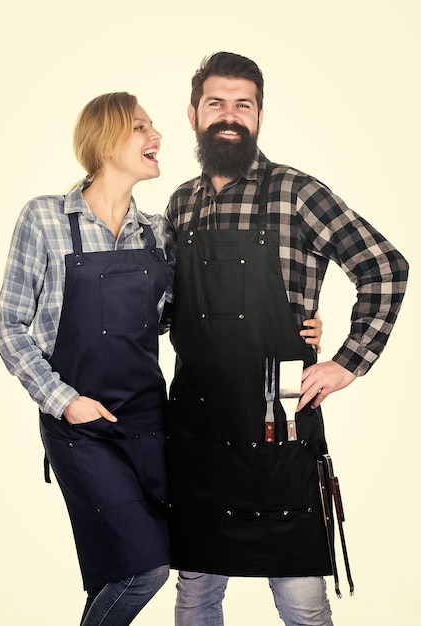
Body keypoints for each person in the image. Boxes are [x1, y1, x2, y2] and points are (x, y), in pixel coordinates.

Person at [164, 52, 409, 626]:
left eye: (242, 104)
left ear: (259, 115)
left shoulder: (296, 192)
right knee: (196, 590)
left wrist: (348, 362)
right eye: (216, 103)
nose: (229, 115)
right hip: (198, 422)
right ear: (194, 114)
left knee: (299, 598)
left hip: (280, 415)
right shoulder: (180, 203)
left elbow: (385, 267)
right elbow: (169, 309)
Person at [0, 92, 174, 626]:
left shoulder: (158, 232)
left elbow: (175, 321)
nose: (156, 136)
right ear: (105, 140)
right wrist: (64, 401)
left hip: (147, 425)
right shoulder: (45, 218)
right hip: (81, 429)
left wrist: (296, 326)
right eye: (141, 127)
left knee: (110, 574)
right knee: (144, 572)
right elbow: (9, 327)